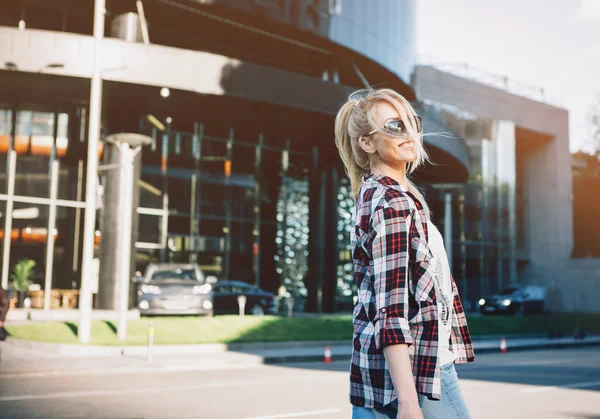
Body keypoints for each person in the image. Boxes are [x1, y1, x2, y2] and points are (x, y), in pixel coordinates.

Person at [334, 88, 475, 419]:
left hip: (375, 378)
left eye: (411, 121)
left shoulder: (375, 193)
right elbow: (391, 310)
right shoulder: (393, 204)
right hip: (418, 374)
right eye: (394, 126)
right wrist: (409, 403)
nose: (409, 132)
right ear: (367, 143)